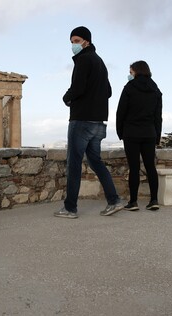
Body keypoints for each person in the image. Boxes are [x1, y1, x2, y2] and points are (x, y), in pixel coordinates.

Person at [54, 26, 123, 219]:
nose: (73, 45)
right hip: (98, 123)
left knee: (74, 164)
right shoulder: (100, 62)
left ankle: (70, 208)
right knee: (96, 162)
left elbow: (77, 87)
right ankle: (114, 200)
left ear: (86, 41)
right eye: (71, 42)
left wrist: (66, 98)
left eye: (76, 41)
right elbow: (108, 91)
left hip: (82, 120)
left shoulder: (83, 60)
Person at [116, 60, 162, 211]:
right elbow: (158, 116)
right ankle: (154, 200)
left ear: (136, 71)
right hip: (149, 133)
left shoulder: (129, 88)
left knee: (134, 167)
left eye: (131, 72)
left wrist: (120, 132)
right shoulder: (156, 90)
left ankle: (133, 202)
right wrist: (157, 136)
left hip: (131, 133)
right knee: (150, 167)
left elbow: (121, 112)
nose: (130, 75)